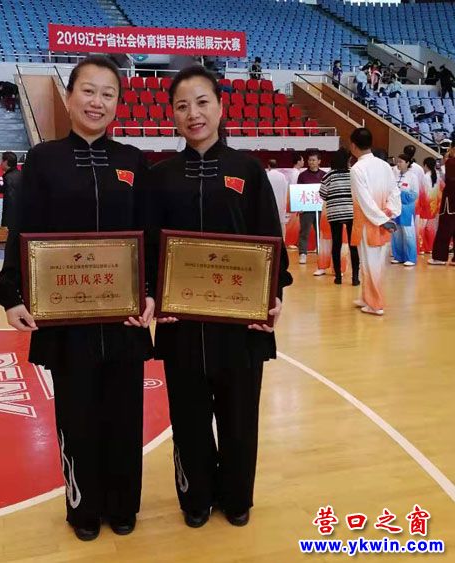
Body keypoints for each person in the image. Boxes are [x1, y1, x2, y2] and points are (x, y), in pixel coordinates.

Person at [0, 56, 154, 542]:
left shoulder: (132, 160)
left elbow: (147, 234)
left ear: (118, 103)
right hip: (67, 318)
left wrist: (149, 293)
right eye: (88, 90)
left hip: (122, 319)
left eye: (108, 93)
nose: (97, 102)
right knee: (77, 416)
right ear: (68, 97)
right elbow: (23, 230)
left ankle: (123, 505)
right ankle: (83, 508)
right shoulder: (44, 160)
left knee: (124, 416)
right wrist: (11, 293)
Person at [147, 65, 292, 529]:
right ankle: (195, 497)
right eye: (182, 106)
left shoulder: (248, 169)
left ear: (221, 106)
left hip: (240, 323)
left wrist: (273, 296)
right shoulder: (161, 176)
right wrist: (154, 295)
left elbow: (270, 241)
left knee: (239, 417)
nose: (193, 113)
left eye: (202, 102)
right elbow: (149, 247)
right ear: (172, 115)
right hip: (181, 323)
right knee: (188, 417)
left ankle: (236, 497)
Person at [349, 128, 401, 316]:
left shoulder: (357, 169)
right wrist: (390, 213)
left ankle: (375, 304)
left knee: (370, 263)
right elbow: (394, 192)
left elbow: (364, 201)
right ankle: (367, 297)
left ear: (353, 146)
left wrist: (382, 219)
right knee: (373, 262)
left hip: (369, 222)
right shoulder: (384, 165)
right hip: (383, 217)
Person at [319, 148, 359, 285]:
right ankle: (355, 278)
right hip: (351, 212)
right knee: (353, 245)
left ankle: (338, 277)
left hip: (334, 212)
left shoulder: (329, 175)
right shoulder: (353, 173)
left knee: (336, 244)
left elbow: (323, 194)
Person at [297, 150, 325, 265]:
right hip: (306, 209)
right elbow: (298, 192)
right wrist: (299, 206)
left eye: (314, 160)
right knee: (304, 231)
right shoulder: (302, 175)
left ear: (319, 161)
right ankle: (303, 253)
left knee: (321, 232)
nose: (311, 162)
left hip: (321, 209)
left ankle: (321, 253)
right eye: (309, 160)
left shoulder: (324, 175)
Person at [391, 154, 419, 267]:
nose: (398, 164)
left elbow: (414, 194)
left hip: (406, 209)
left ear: (407, 163)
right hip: (395, 208)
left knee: (408, 234)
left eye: (401, 161)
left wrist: (400, 195)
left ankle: (411, 258)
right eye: (398, 161)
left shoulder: (412, 177)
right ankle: (398, 256)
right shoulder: (395, 175)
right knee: (396, 233)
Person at [429, 149, 455, 265]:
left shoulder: (451, 163)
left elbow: (447, 180)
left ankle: (439, 257)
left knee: (444, 229)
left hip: (450, 201)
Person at [419, 157, 442, 255]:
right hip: (434, 204)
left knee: (422, 227)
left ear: (425, 165)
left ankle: (422, 248)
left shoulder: (425, 177)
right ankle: (430, 247)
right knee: (431, 227)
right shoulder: (437, 175)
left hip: (425, 204)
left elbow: (422, 192)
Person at [266, 159, 288, 238]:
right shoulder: (282, 176)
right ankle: (283, 240)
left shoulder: (266, 175)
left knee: (270, 223)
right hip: (281, 202)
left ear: (268, 166)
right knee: (281, 223)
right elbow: (285, 189)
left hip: (269, 203)